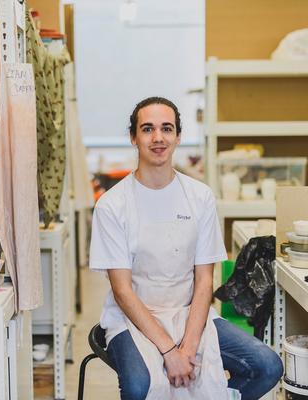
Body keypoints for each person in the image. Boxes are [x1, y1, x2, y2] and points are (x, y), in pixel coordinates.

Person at [89, 97, 283, 400]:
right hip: (134, 318)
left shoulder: (199, 197)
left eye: (167, 128)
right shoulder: (112, 205)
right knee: (140, 386)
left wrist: (189, 347)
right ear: (133, 137)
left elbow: (205, 280)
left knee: (267, 365)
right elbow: (123, 291)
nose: (158, 138)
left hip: (189, 312)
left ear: (178, 136)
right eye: (147, 129)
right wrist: (169, 350)